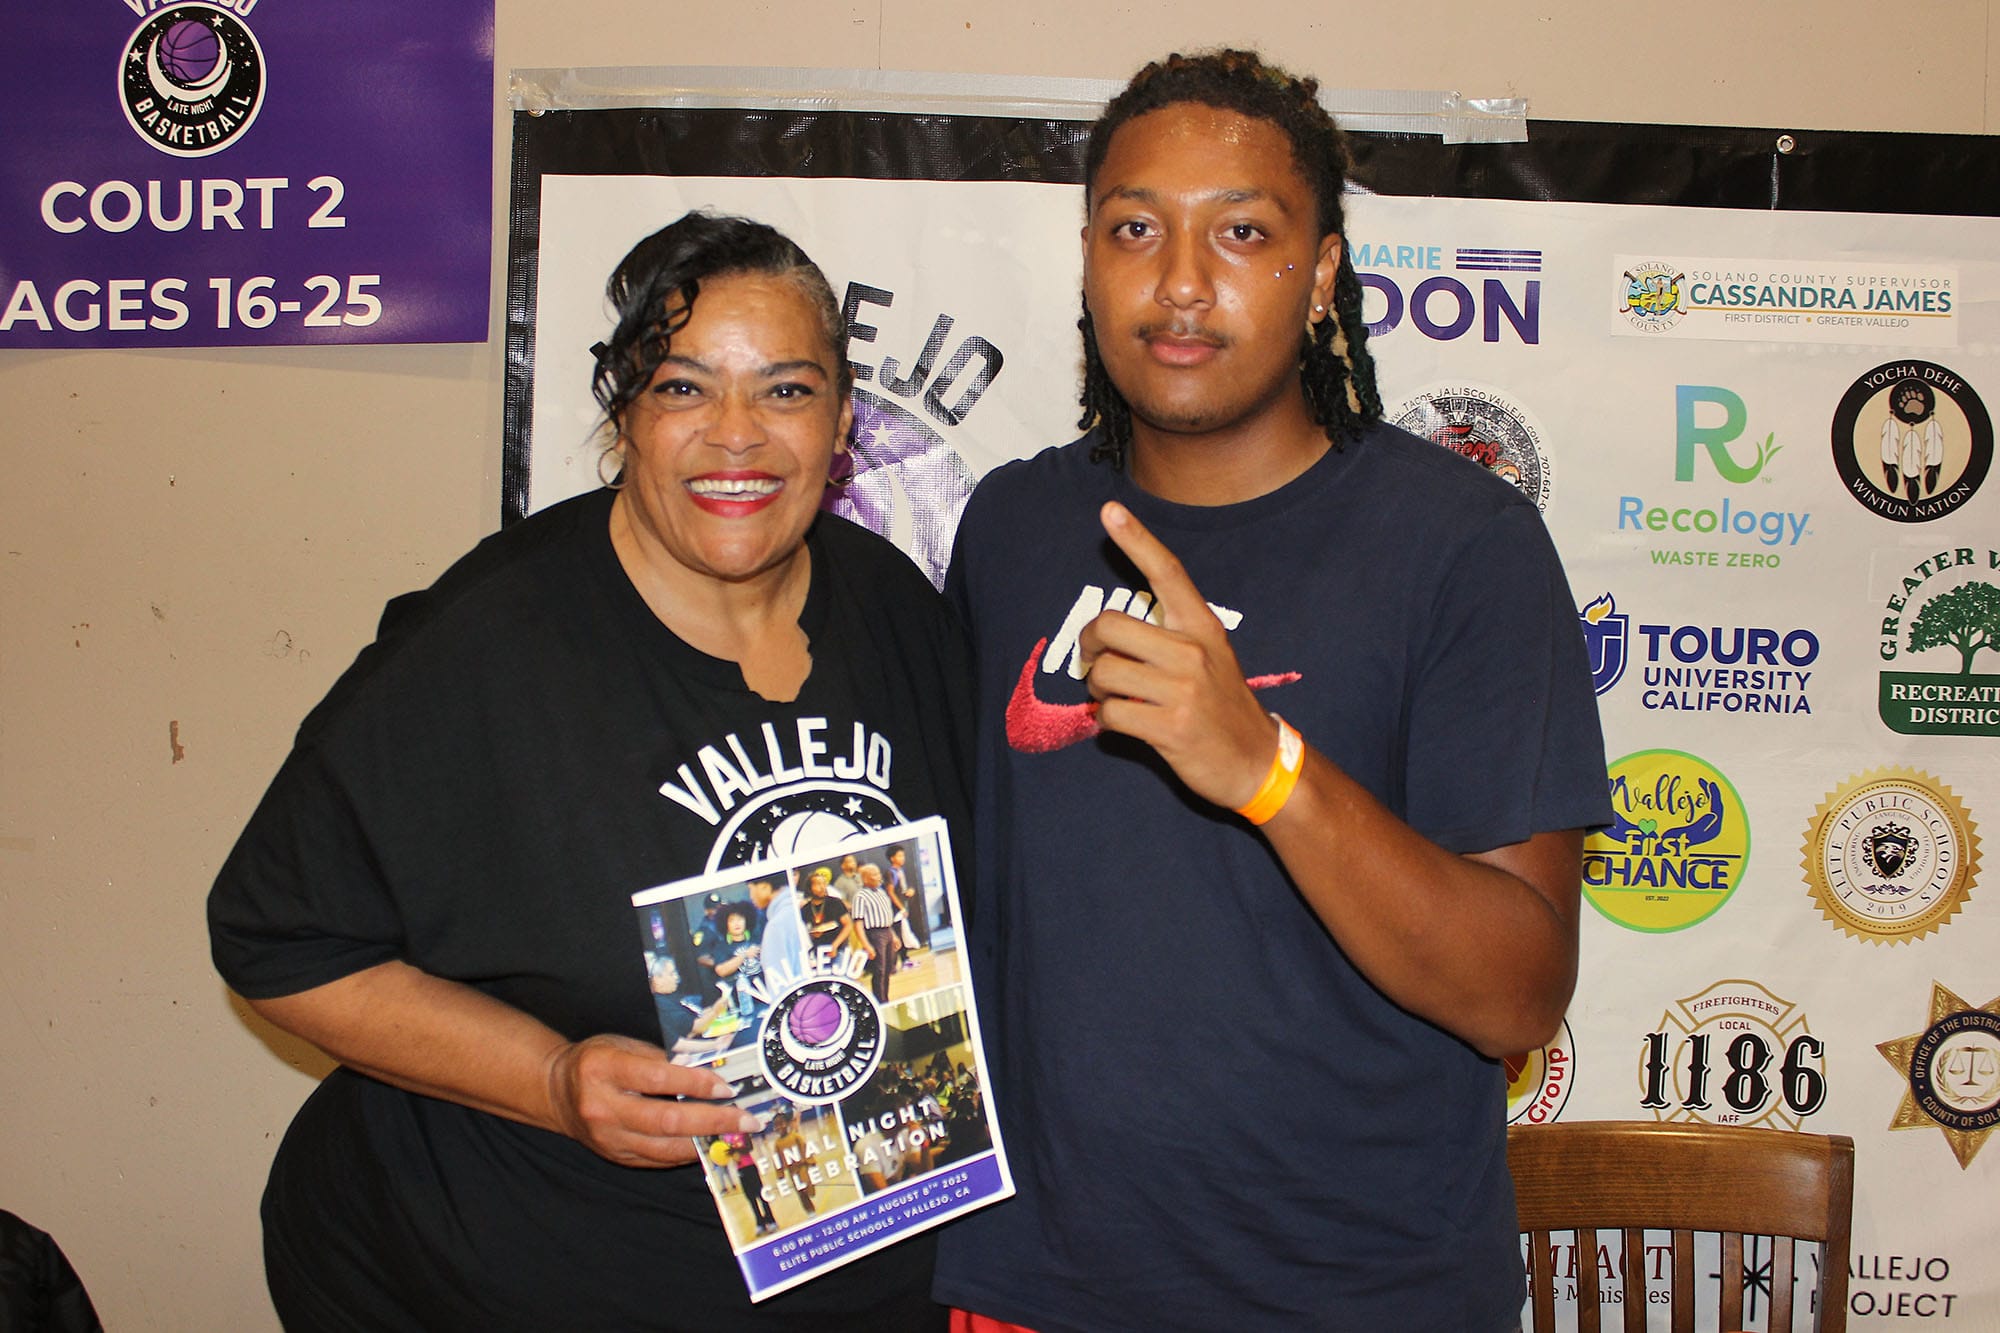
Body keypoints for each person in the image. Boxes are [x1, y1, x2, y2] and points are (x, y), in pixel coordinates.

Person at [932, 50, 1610, 1332]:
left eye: (1241, 232)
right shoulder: (1013, 526)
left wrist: (1267, 772)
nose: (1180, 282)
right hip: (1031, 1290)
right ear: (1085, 258)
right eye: (1135, 229)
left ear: (1321, 275)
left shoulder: (1457, 544)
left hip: (1352, 1294)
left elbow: (1516, 991)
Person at [207, 211, 970, 1332]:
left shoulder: (894, 607)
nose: (735, 436)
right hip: (483, 1274)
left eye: (786, 391)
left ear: (843, 423)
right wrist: (553, 1081)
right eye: (682, 388)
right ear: (624, 418)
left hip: (829, 1266)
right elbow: (276, 941)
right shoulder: (481, 647)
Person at [851, 861, 901, 1001]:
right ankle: (880, 1001)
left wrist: (894, 936)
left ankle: (886, 997)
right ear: (865, 878)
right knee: (879, 970)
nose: (879, 876)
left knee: (888, 969)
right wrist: (866, 945)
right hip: (874, 934)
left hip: (887, 931)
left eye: (878, 873)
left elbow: (887, 917)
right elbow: (858, 923)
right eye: (874, 874)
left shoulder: (882, 892)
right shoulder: (860, 896)